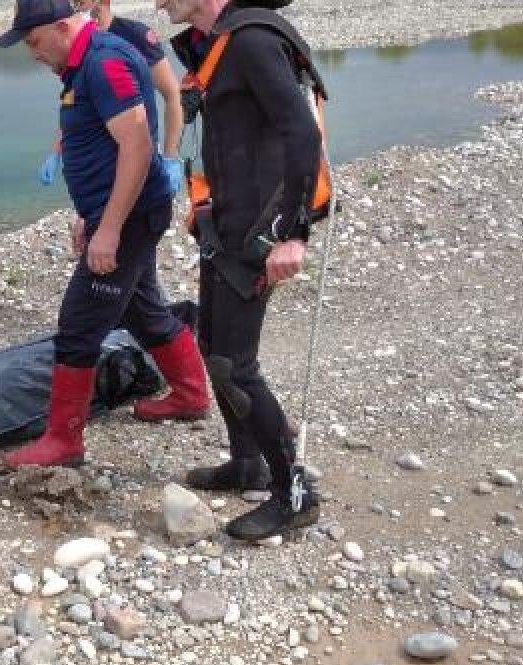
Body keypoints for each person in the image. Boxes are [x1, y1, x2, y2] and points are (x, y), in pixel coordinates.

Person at [0, 0, 208, 470]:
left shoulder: (104, 62)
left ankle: (63, 442)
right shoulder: (80, 63)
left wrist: (108, 230)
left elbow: (136, 145)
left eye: (32, 41)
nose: (31, 53)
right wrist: (89, 216)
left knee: (78, 324)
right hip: (118, 213)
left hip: (130, 217)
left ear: (62, 26)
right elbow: (97, 145)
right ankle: (191, 396)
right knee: (144, 310)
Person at [156, 0, 322, 540]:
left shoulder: (251, 41)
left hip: (258, 233)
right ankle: (245, 463)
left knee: (235, 364)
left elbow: (302, 133)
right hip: (224, 227)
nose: (159, 3)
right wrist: (203, 208)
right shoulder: (215, 46)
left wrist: (294, 232)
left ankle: (293, 493)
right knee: (213, 347)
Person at [38, 0, 185, 197]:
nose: (75, 4)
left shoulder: (135, 35)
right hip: (98, 168)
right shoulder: (78, 45)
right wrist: (57, 150)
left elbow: (173, 94)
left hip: (136, 159)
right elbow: (75, 104)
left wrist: (171, 156)